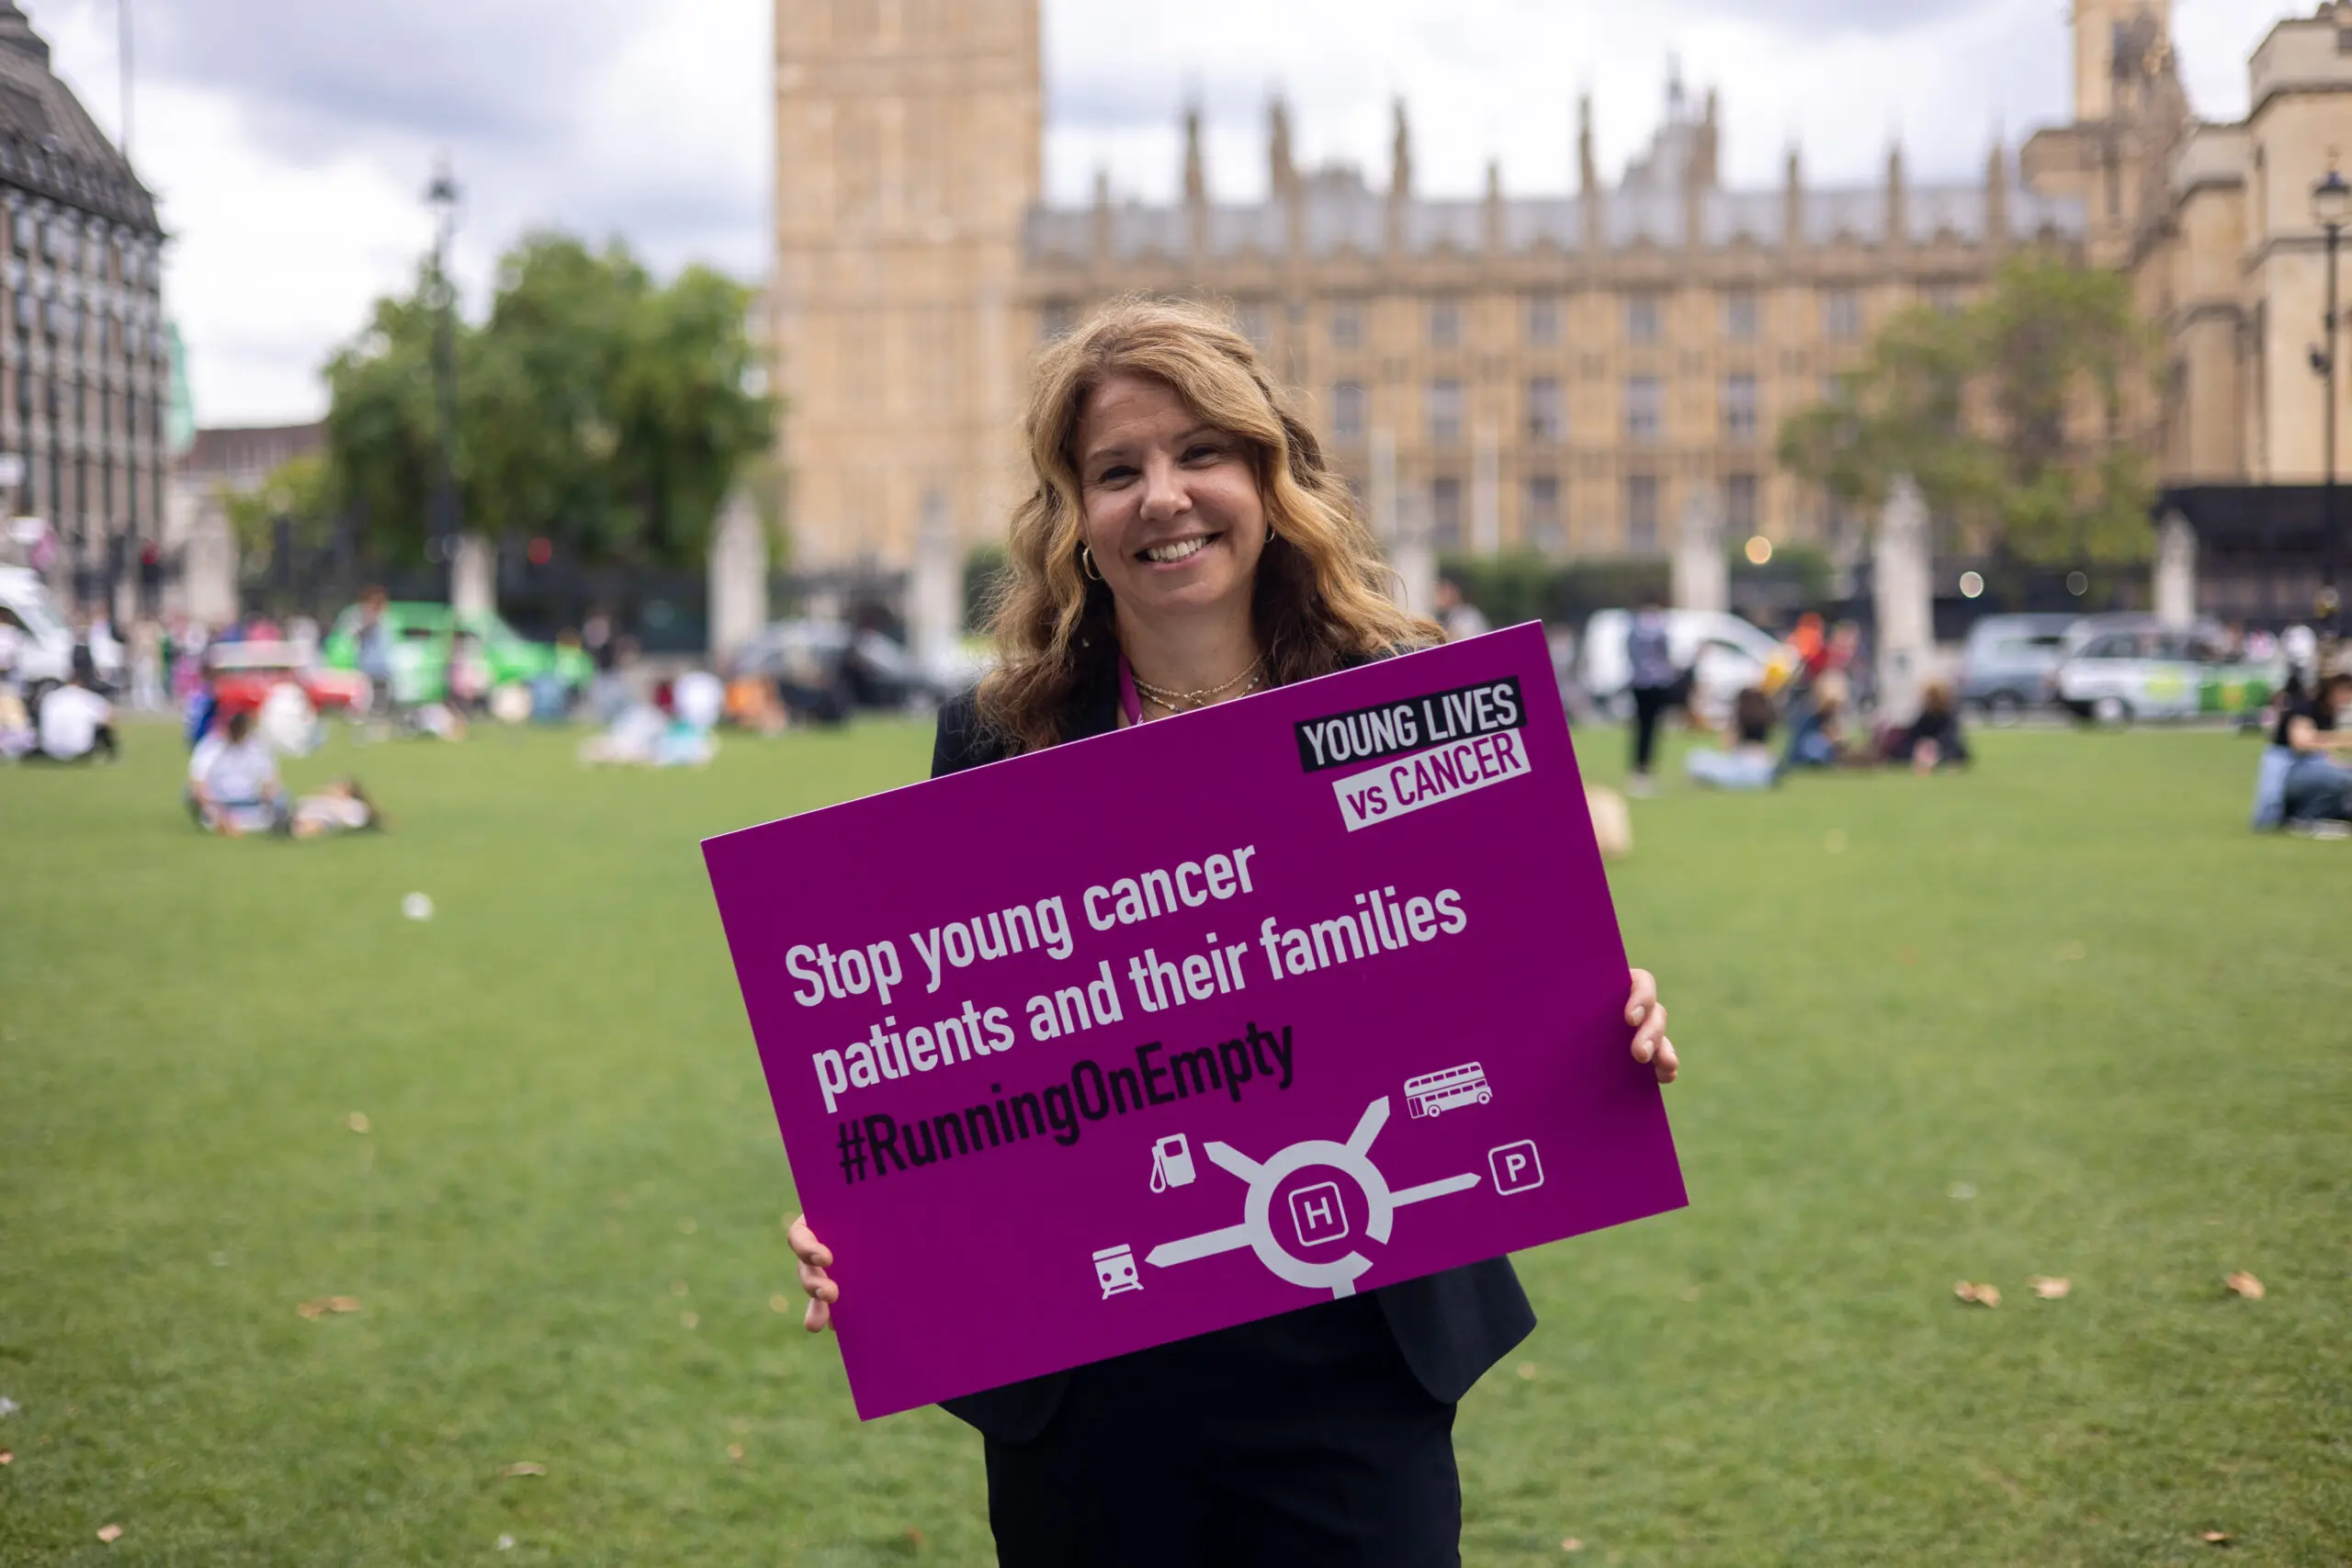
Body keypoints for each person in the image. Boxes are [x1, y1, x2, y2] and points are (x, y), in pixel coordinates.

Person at [784, 299, 1680, 1568]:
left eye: (1203, 450)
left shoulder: (1397, 696)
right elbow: (938, 1046)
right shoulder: (996, 735)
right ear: (1074, 515)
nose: (1166, 496)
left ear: (1269, 476)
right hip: (1091, 1375)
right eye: (1117, 469)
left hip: (1352, 1341)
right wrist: (871, 1215)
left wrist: (1602, 1009)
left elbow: (1481, 970)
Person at [2275, 671, 2352, 832]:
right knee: (2340, 778)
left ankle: (2337, 814)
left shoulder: (2329, 714)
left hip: (2311, 770)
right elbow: (2301, 742)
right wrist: (2339, 740)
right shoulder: (2306, 707)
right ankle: (2305, 818)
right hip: (2291, 773)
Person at [187, 709, 284, 834]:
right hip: (218, 803)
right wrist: (214, 811)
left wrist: (268, 797)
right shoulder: (211, 746)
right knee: (188, 792)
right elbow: (198, 782)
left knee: (281, 798)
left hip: (250, 802)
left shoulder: (258, 747)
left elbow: (271, 782)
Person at [1623, 598, 1678, 795]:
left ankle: (1640, 769)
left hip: (1640, 682)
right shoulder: (1660, 630)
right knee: (1651, 727)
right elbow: (1665, 655)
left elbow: (1630, 653)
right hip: (1655, 683)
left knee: (1642, 726)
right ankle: (1645, 769)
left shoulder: (1634, 630)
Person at [1685, 686, 1778, 789]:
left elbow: (1727, 747)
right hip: (1763, 768)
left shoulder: (1738, 720)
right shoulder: (1767, 719)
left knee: (1697, 757)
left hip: (1741, 766)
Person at [1882, 680, 1971, 772]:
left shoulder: (1947, 717)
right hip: (1922, 748)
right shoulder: (1925, 716)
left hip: (1941, 749)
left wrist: (1931, 744)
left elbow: (1949, 738)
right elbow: (1914, 733)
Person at [33, 670, 117, 762]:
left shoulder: (51, 696)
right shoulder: (86, 696)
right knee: (102, 727)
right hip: (79, 750)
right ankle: (112, 756)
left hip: (50, 749)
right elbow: (108, 713)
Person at [1432, 575, 1489, 643]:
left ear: (1456, 592)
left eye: (1444, 590)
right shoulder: (1447, 616)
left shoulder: (1468, 617)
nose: (1439, 595)